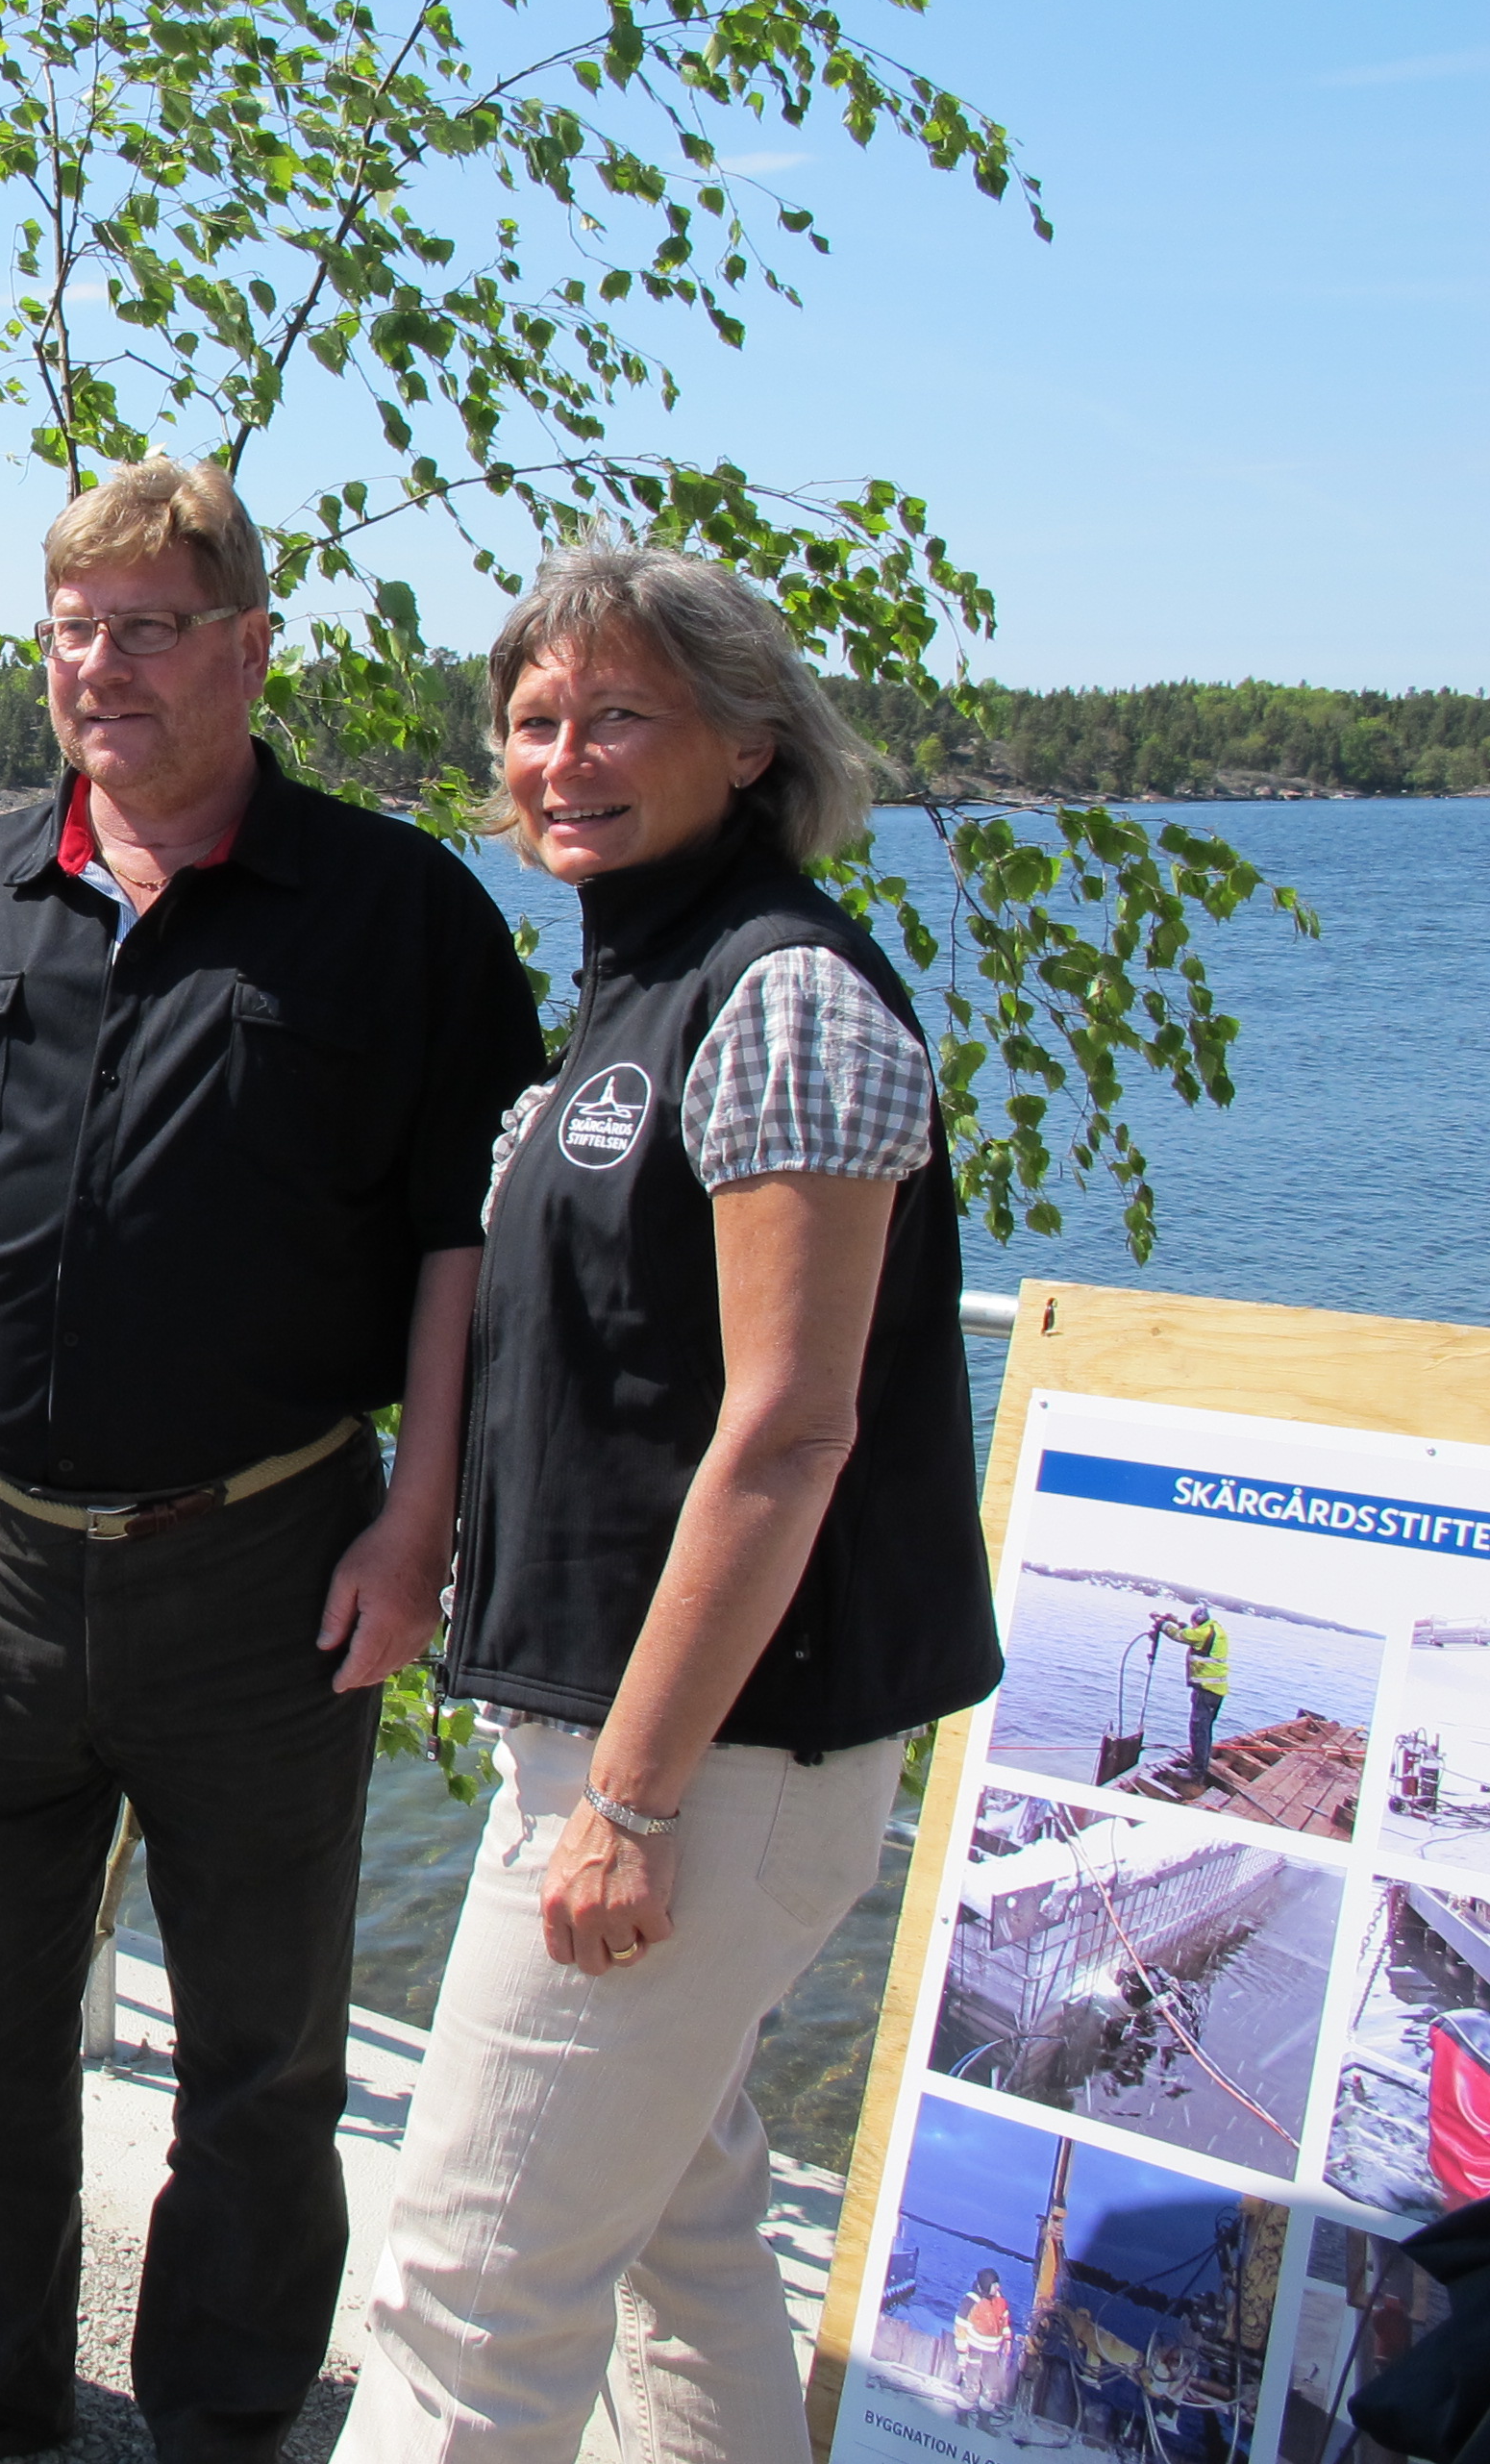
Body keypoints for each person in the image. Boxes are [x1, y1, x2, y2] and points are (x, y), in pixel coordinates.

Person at [0, 458, 544, 2464]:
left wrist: (422, 1521)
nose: (102, 667)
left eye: (151, 629)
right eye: (74, 630)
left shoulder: (397, 916)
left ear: (249, 649)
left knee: (259, 2054)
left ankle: (222, 2406)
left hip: (264, 1567)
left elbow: (462, 1253)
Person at [347, 540, 1002, 2462]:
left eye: (618, 715)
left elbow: (789, 1435)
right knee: (678, 2244)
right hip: (639, 1746)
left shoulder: (778, 993)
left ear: (747, 741)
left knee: (468, 2291)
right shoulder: (630, 990)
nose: (562, 758)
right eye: (532, 721)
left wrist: (625, 1803)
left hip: (707, 1763)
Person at [1157, 1604, 1233, 1779]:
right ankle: (1202, 1762)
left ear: (1196, 1622)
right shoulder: (1215, 1629)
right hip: (1217, 1691)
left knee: (1198, 1731)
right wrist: (1180, 1623)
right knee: (1206, 1729)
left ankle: (1197, 1772)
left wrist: (1163, 1624)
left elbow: (1180, 1635)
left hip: (1206, 1691)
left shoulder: (1202, 1633)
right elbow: (1194, 1635)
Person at [954, 2271, 1016, 2418]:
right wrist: (962, 2354)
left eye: (998, 2284)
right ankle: (962, 2416)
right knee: (971, 2386)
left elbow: (1005, 2322)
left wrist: (1007, 2340)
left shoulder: (1001, 2301)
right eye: (994, 2285)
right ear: (986, 2285)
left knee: (991, 2387)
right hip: (974, 2351)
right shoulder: (971, 2301)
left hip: (993, 2353)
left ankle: (984, 2419)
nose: (998, 2287)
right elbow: (960, 2328)